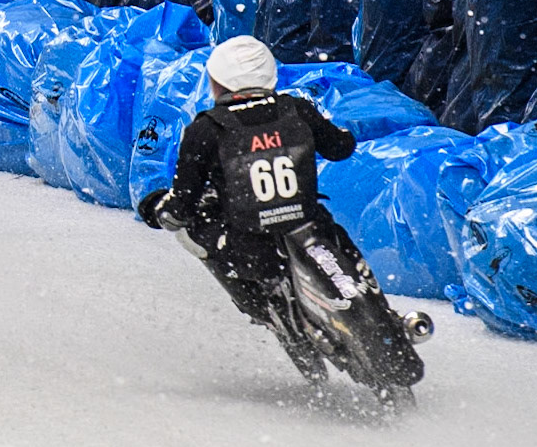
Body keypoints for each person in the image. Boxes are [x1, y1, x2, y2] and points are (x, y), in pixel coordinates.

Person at [136, 37, 412, 383]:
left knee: (192, 230)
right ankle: (383, 316)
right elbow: (340, 148)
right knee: (342, 248)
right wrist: (336, 132)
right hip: (310, 229)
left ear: (218, 81)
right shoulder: (295, 109)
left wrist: (157, 209)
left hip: (249, 247)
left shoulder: (206, 127)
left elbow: (182, 205)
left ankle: (261, 306)